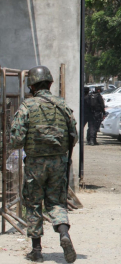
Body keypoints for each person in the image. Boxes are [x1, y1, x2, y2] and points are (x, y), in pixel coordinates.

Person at [10, 66, 78, 263]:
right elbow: (73, 136)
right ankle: (64, 234)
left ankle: (37, 251)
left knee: (32, 204)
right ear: (50, 83)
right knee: (56, 202)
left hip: (35, 165)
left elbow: (16, 139)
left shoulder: (27, 107)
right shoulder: (62, 105)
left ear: (31, 86)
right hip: (58, 163)